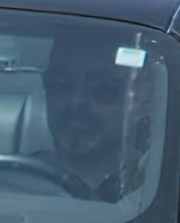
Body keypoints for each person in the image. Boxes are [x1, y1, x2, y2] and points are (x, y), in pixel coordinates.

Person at [39, 42, 169, 205]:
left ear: (143, 100)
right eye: (60, 84)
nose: (76, 102)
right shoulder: (8, 183)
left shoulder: (165, 195)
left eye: (103, 88)